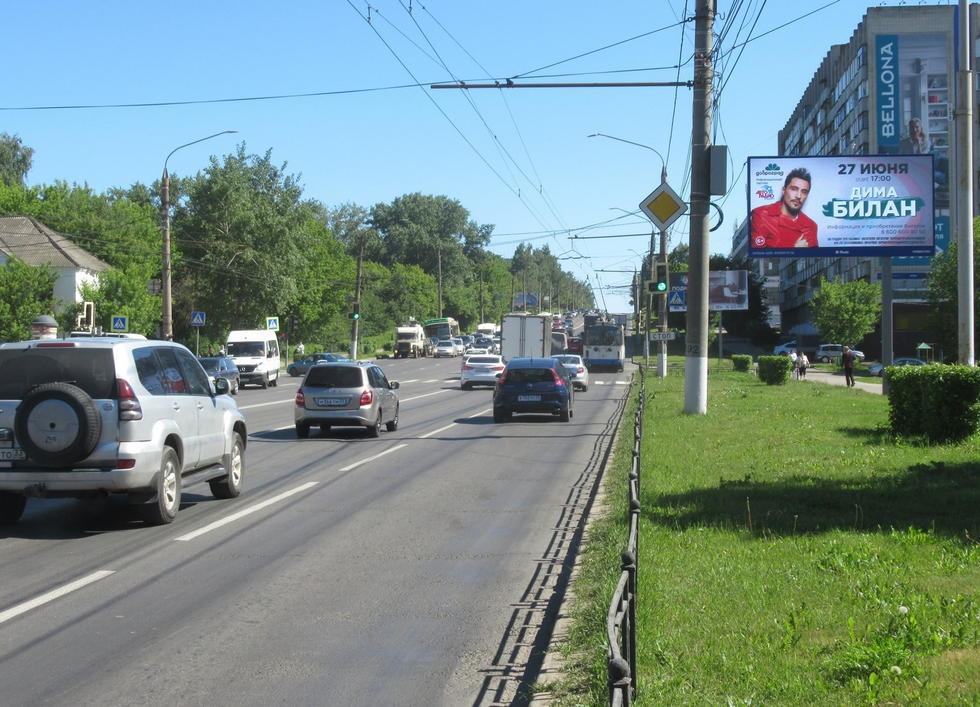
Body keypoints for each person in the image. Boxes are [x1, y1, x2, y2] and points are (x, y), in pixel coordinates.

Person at [750, 168, 818, 249]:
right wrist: (795, 249)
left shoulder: (811, 226)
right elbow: (758, 252)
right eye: (794, 189)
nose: (799, 196)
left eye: (804, 192)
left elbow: (814, 257)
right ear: (783, 190)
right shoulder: (761, 215)